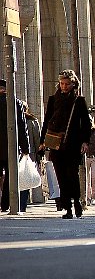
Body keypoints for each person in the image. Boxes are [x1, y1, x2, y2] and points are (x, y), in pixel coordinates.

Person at [39, 70, 92, 219]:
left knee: (72, 175)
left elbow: (86, 124)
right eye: (62, 84)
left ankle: (77, 203)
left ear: (73, 84)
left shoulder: (79, 101)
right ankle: (67, 208)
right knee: (61, 176)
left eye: (67, 84)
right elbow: (47, 120)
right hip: (56, 143)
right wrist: (42, 141)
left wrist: (85, 141)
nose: (64, 86)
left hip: (73, 143)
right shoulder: (53, 99)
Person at [0, 79, 30, 213]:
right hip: (10, 148)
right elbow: (22, 127)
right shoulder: (15, 103)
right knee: (11, 176)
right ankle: (6, 204)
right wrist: (25, 148)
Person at [20, 102, 41, 212]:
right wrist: (38, 156)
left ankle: (18, 204)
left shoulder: (12, 119)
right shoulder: (32, 121)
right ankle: (22, 205)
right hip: (29, 154)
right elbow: (37, 140)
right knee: (25, 178)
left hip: (20, 154)